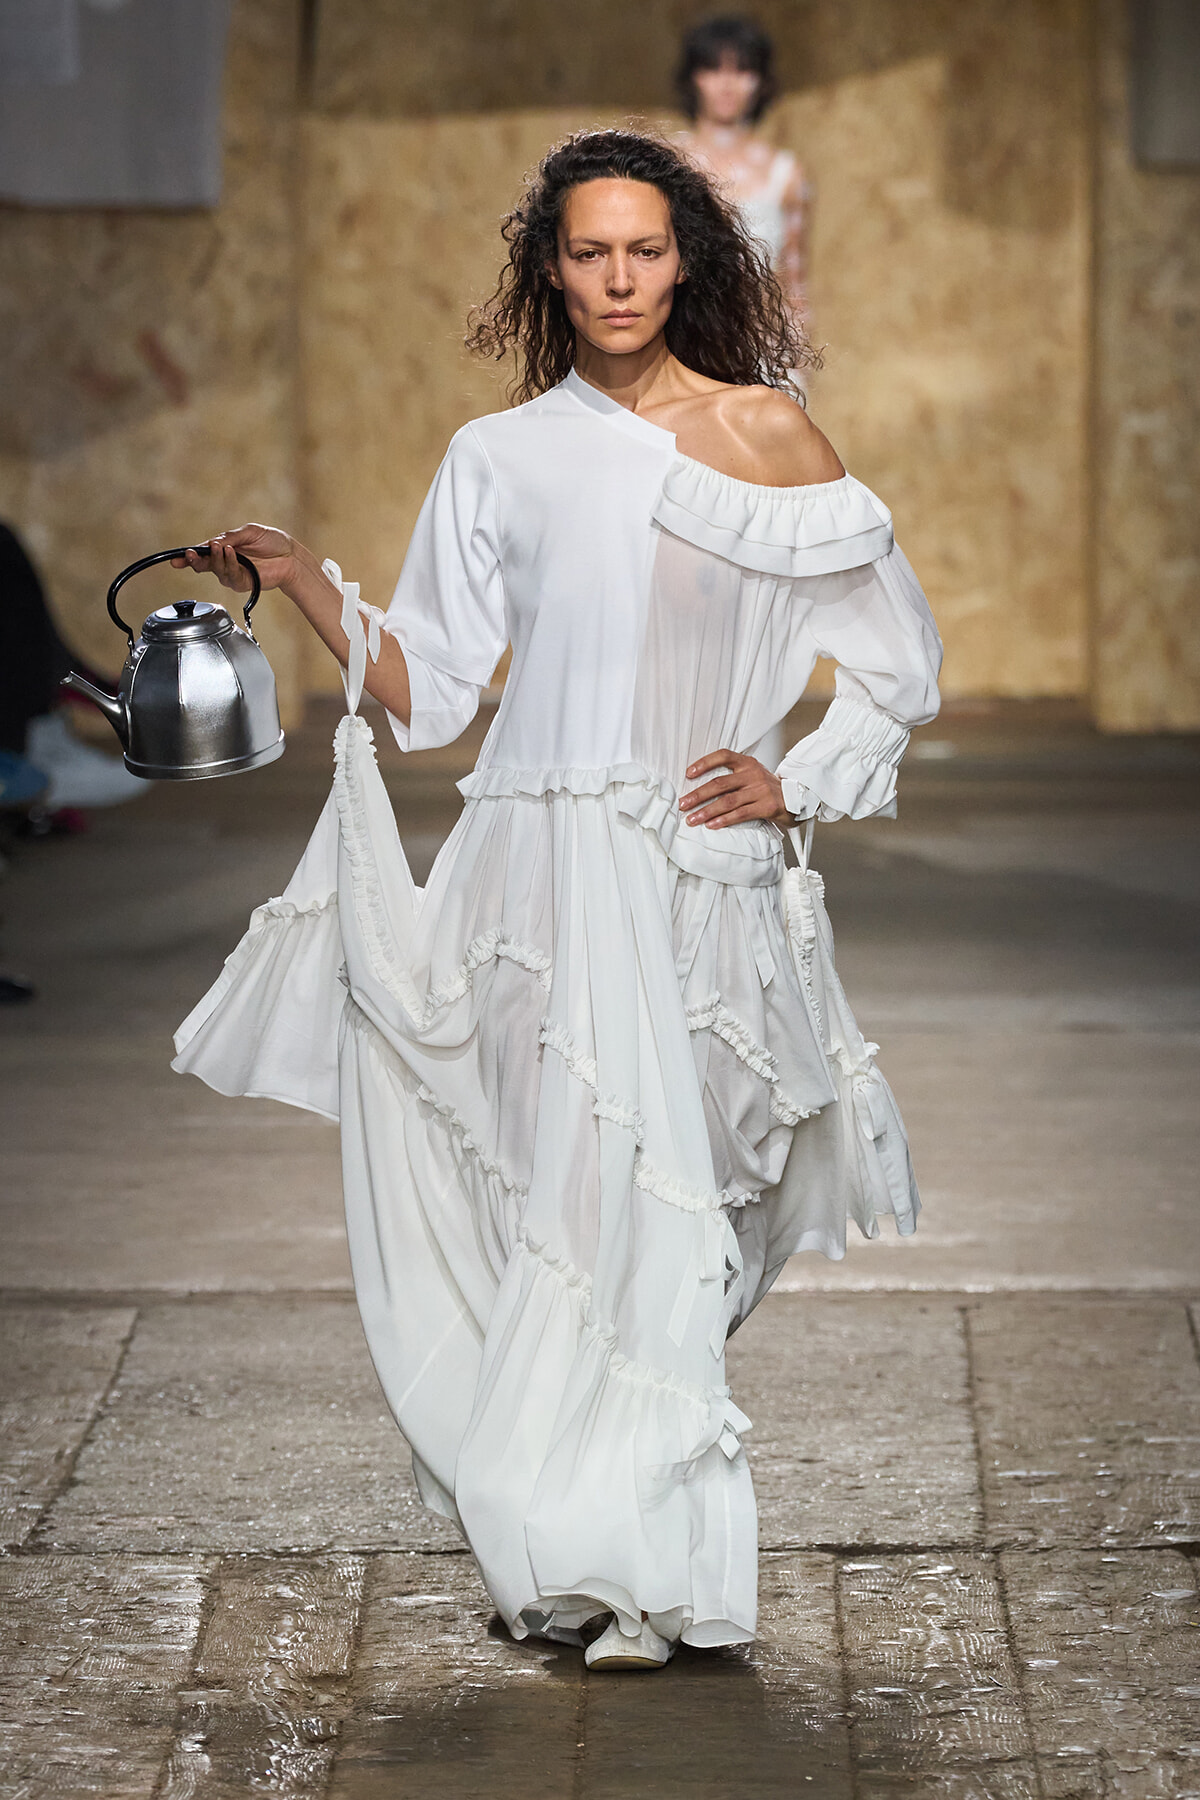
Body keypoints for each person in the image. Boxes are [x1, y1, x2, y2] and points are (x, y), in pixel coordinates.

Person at [172, 130, 941, 1671]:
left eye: (645, 250)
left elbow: (898, 658)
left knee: (694, 1209)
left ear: (690, 261)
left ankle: (603, 1521)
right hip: (527, 875)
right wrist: (314, 584)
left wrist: (802, 777)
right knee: (572, 1213)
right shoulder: (496, 456)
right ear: (548, 268)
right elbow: (437, 694)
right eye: (587, 252)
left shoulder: (766, 433)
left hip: (688, 872)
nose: (616, 279)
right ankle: (617, 1560)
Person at [674, 16, 810, 326]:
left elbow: (794, 284)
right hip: (685, 345)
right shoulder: (669, 164)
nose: (727, 84)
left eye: (742, 70)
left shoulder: (785, 173)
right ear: (693, 78)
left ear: (762, 81)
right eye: (713, 69)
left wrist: (796, 369)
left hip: (765, 351)